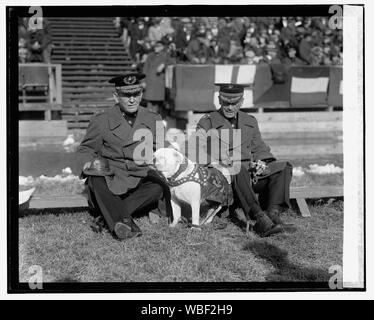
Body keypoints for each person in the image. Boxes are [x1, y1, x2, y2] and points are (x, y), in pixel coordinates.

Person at [76, 72, 171, 240]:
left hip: (140, 176)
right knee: (95, 179)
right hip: (112, 176)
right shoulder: (102, 120)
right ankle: (124, 223)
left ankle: (105, 220)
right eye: (126, 95)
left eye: (136, 94)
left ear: (141, 95)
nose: (132, 99)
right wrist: (87, 163)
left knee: (158, 187)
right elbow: (86, 149)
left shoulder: (153, 119)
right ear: (116, 96)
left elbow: (162, 150)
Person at [195, 83, 294, 237]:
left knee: (283, 167)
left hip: (250, 174)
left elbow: (259, 147)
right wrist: (218, 163)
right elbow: (197, 150)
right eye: (226, 103)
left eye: (234, 103)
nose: (229, 107)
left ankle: (273, 214)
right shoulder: (208, 121)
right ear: (219, 101)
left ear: (241, 102)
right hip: (223, 177)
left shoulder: (250, 121)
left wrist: (262, 162)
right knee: (237, 167)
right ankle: (260, 219)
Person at [142, 40, 175, 116]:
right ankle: (148, 120)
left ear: (162, 47)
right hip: (149, 82)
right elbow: (145, 68)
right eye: (155, 46)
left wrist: (164, 65)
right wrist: (143, 81)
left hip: (159, 83)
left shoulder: (165, 55)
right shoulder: (150, 55)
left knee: (157, 105)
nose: (155, 48)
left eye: (157, 47)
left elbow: (173, 62)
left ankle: (156, 121)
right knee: (149, 103)